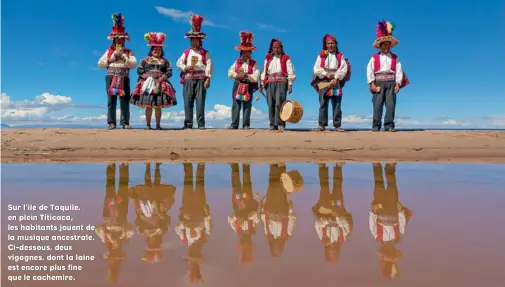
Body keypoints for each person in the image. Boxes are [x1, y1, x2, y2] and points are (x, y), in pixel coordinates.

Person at [369, 163, 413, 278]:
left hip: (380, 209)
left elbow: (372, 223)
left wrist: (373, 211)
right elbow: (402, 223)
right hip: (393, 208)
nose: (389, 249)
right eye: (391, 251)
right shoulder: (398, 236)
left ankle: (376, 166)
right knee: (392, 186)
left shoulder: (377, 236)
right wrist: (400, 212)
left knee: (378, 185)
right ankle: (390, 167)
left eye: (388, 251)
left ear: (384, 249)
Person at [366, 20, 409, 132]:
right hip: (378, 83)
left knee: (390, 105)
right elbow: (369, 70)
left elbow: (399, 71)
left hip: (391, 83)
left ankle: (389, 125)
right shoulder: (374, 58)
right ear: (380, 46)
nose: (386, 46)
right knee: (377, 106)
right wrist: (372, 83)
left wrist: (398, 84)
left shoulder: (395, 58)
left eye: (387, 44)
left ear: (390, 46)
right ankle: (376, 126)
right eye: (383, 44)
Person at [98, 13, 137, 130]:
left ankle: (125, 122)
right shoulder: (109, 51)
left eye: (121, 39)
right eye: (117, 39)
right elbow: (100, 63)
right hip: (111, 76)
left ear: (124, 40)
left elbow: (133, 64)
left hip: (124, 76)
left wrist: (124, 57)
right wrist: (111, 59)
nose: (119, 41)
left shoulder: (129, 52)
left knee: (124, 99)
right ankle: (111, 123)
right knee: (111, 100)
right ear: (114, 40)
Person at [130, 33, 177, 130]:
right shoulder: (145, 60)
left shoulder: (165, 61)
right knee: (148, 105)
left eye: (159, 50)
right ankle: (148, 125)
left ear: (161, 51)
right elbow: (139, 70)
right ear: (151, 50)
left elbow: (169, 71)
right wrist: (146, 77)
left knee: (158, 105)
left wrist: (162, 78)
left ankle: (158, 125)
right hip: (147, 84)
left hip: (160, 84)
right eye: (155, 49)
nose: (157, 51)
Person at [176, 14, 213, 130]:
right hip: (188, 79)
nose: (194, 43)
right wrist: (185, 68)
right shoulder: (186, 52)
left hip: (201, 80)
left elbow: (209, 66)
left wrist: (208, 79)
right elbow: (178, 63)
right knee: (188, 101)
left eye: (197, 41)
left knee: (200, 102)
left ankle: (201, 124)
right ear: (190, 41)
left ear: (200, 42)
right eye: (193, 41)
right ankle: (188, 124)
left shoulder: (205, 53)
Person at [312, 163, 353, 262]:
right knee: (337, 188)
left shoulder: (323, 238)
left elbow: (317, 224)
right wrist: (337, 218)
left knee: (324, 188)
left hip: (325, 208)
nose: (334, 251)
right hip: (337, 208)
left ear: (327, 252)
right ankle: (338, 167)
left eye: (332, 253)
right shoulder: (343, 238)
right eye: (336, 253)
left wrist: (327, 220)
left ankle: (322, 167)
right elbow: (346, 225)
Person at [311, 34, 351, 132]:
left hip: (335, 82)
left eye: (332, 43)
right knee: (323, 103)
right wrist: (325, 74)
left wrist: (336, 78)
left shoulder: (340, 55)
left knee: (337, 103)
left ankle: (337, 125)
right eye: (328, 43)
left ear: (336, 44)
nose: (330, 45)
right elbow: (316, 68)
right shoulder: (321, 55)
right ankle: (322, 125)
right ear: (326, 45)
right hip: (324, 81)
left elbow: (343, 68)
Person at [260, 39, 296, 132]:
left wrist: (290, 83)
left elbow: (290, 71)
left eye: (278, 47)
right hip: (270, 82)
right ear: (272, 48)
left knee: (279, 103)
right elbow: (264, 71)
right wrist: (262, 83)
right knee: (270, 103)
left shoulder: (286, 58)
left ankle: (280, 124)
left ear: (281, 48)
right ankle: (272, 125)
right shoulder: (268, 58)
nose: (276, 49)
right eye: (274, 48)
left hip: (281, 82)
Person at [227, 31, 260, 130]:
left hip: (248, 85)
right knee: (236, 104)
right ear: (241, 52)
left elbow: (256, 76)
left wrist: (248, 76)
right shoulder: (237, 62)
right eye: (244, 51)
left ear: (251, 52)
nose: (246, 53)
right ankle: (234, 124)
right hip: (238, 84)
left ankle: (246, 125)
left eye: (248, 51)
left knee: (247, 104)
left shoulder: (254, 63)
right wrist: (238, 75)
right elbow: (229, 73)